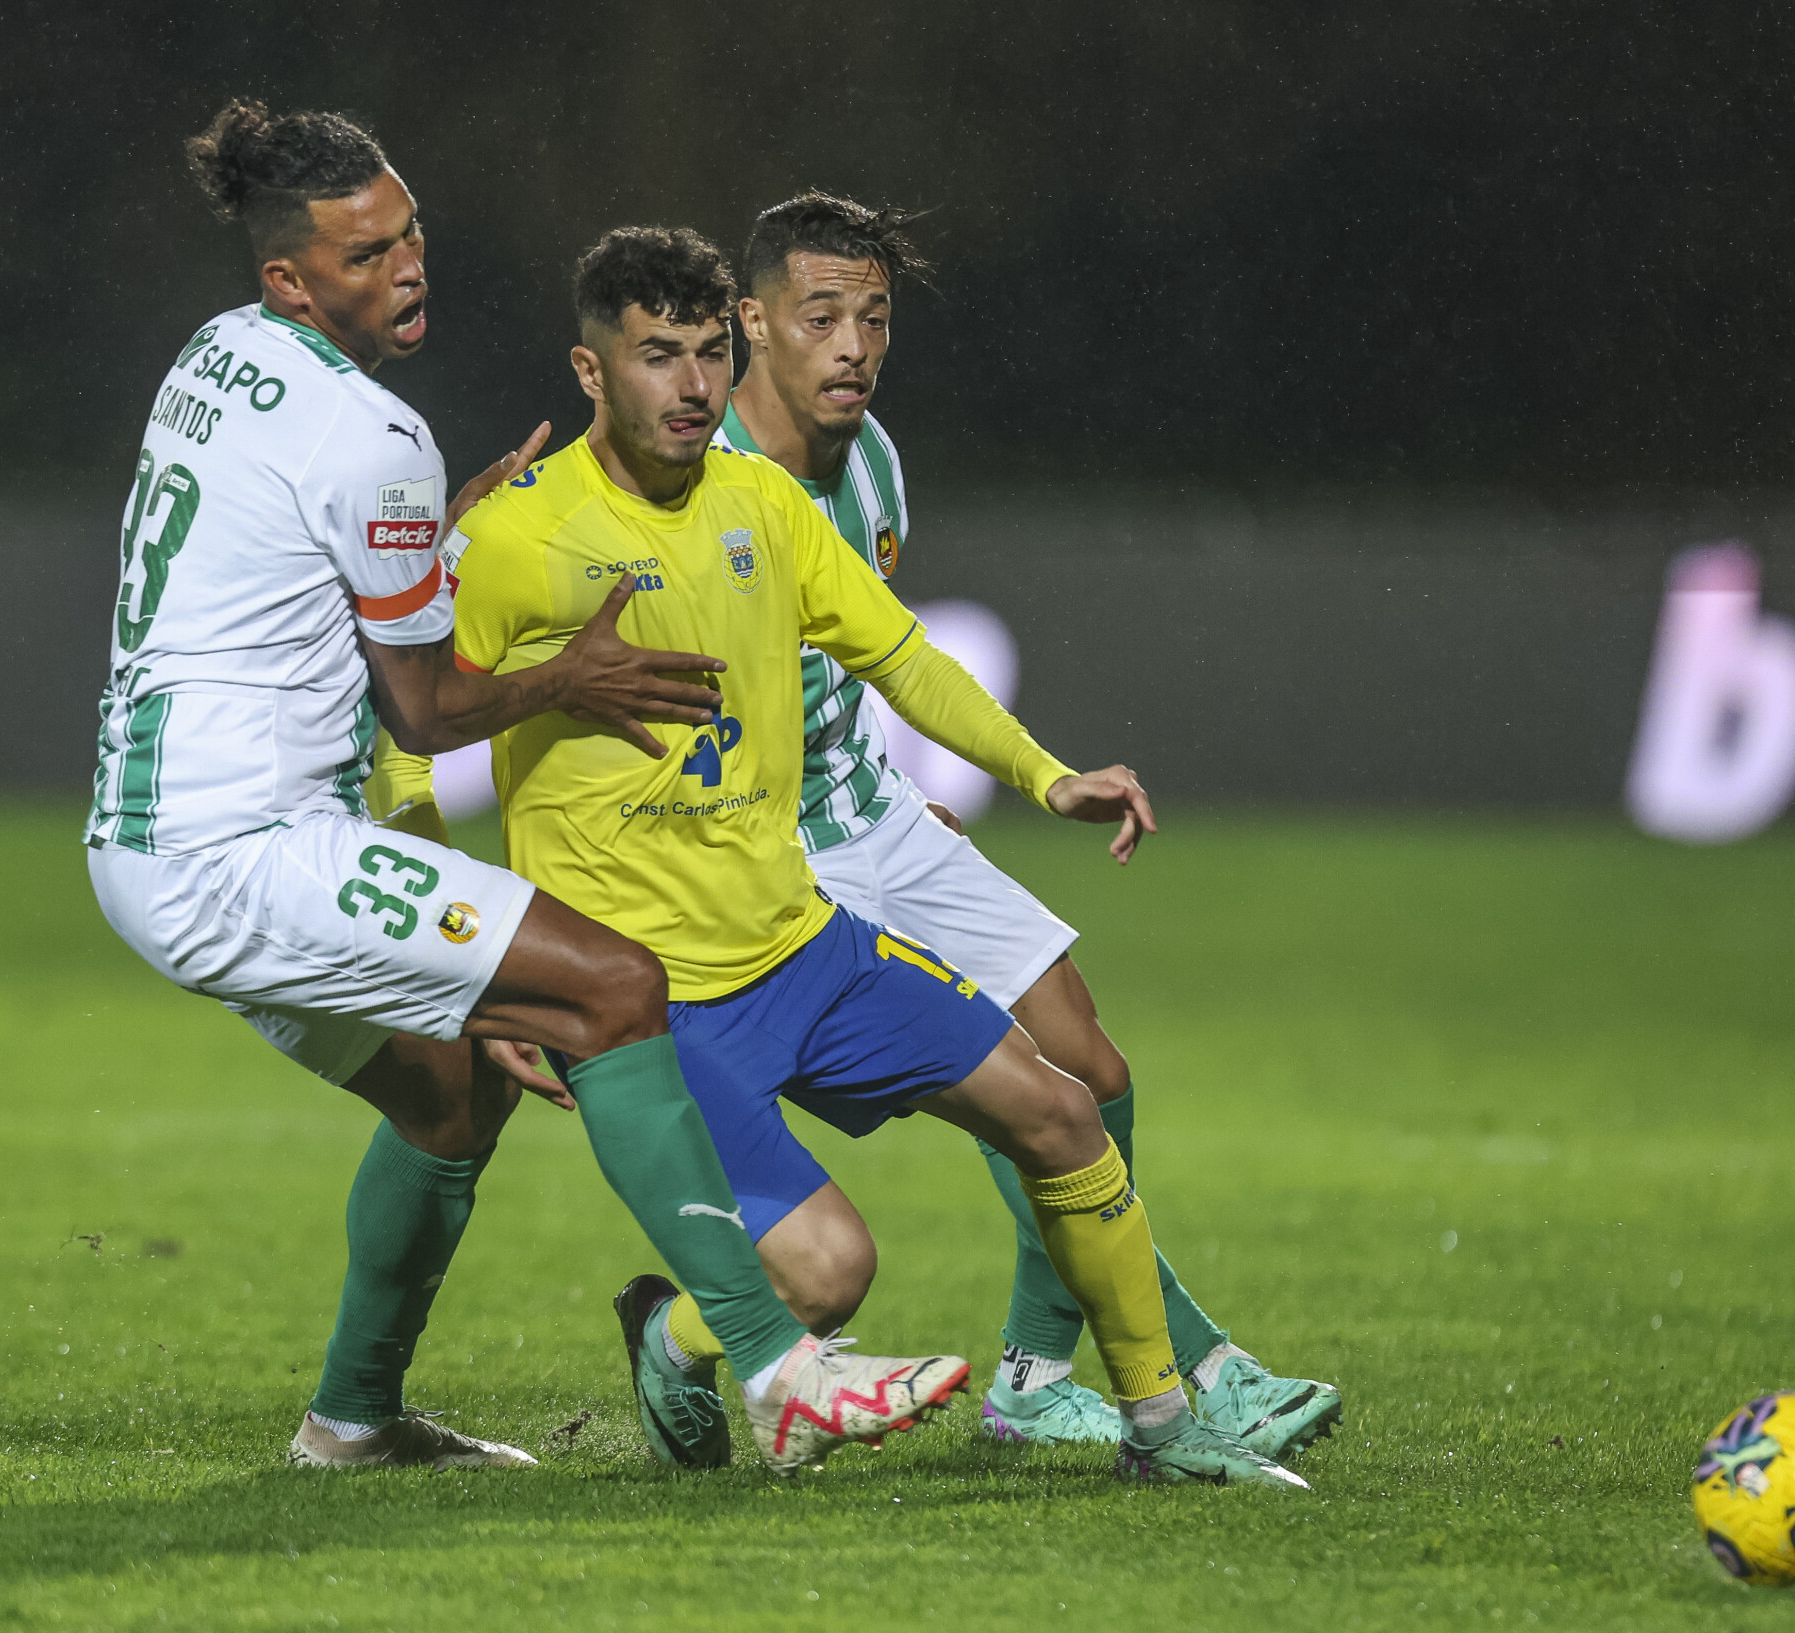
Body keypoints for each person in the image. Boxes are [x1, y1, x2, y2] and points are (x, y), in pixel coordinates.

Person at [85, 101, 962, 1477]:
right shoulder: (373, 433)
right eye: (365, 255)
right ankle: (780, 1368)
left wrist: (420, 552)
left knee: (451, 1090)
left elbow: (290, 560)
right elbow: (423, 711)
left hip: (157, 831)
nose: (407, 267)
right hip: (240, 846)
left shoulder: (220, 357)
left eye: (409, 230)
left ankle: (352, 1423)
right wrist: (572, 675)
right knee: (612, 988)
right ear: (291, 280)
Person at [446, 224, 1303, 1486]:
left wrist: (1042, 774)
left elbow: (897, 653)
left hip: (805, 937)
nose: (688, 385)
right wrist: (478, 961)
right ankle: (678, 1338)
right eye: (655, 357)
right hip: (654, 995)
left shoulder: (769, 504)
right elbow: (408, 731)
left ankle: (1167, 1426)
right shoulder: (518, 537)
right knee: (830, 1275)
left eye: (701, 356)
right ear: (589, 372)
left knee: (1068, 1105)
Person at [716, 192, 1343, 1458]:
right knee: (1027, 1100)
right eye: (821, 316)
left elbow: (873, 655)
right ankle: (1197, 1370)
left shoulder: (875, 460)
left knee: (1094, 1077)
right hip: (770, 858)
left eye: (874, 319)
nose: (852, 346)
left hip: (878, 816)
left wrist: (980, 780)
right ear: (751, 321)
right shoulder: (703, 488)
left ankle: (1027, 1380)